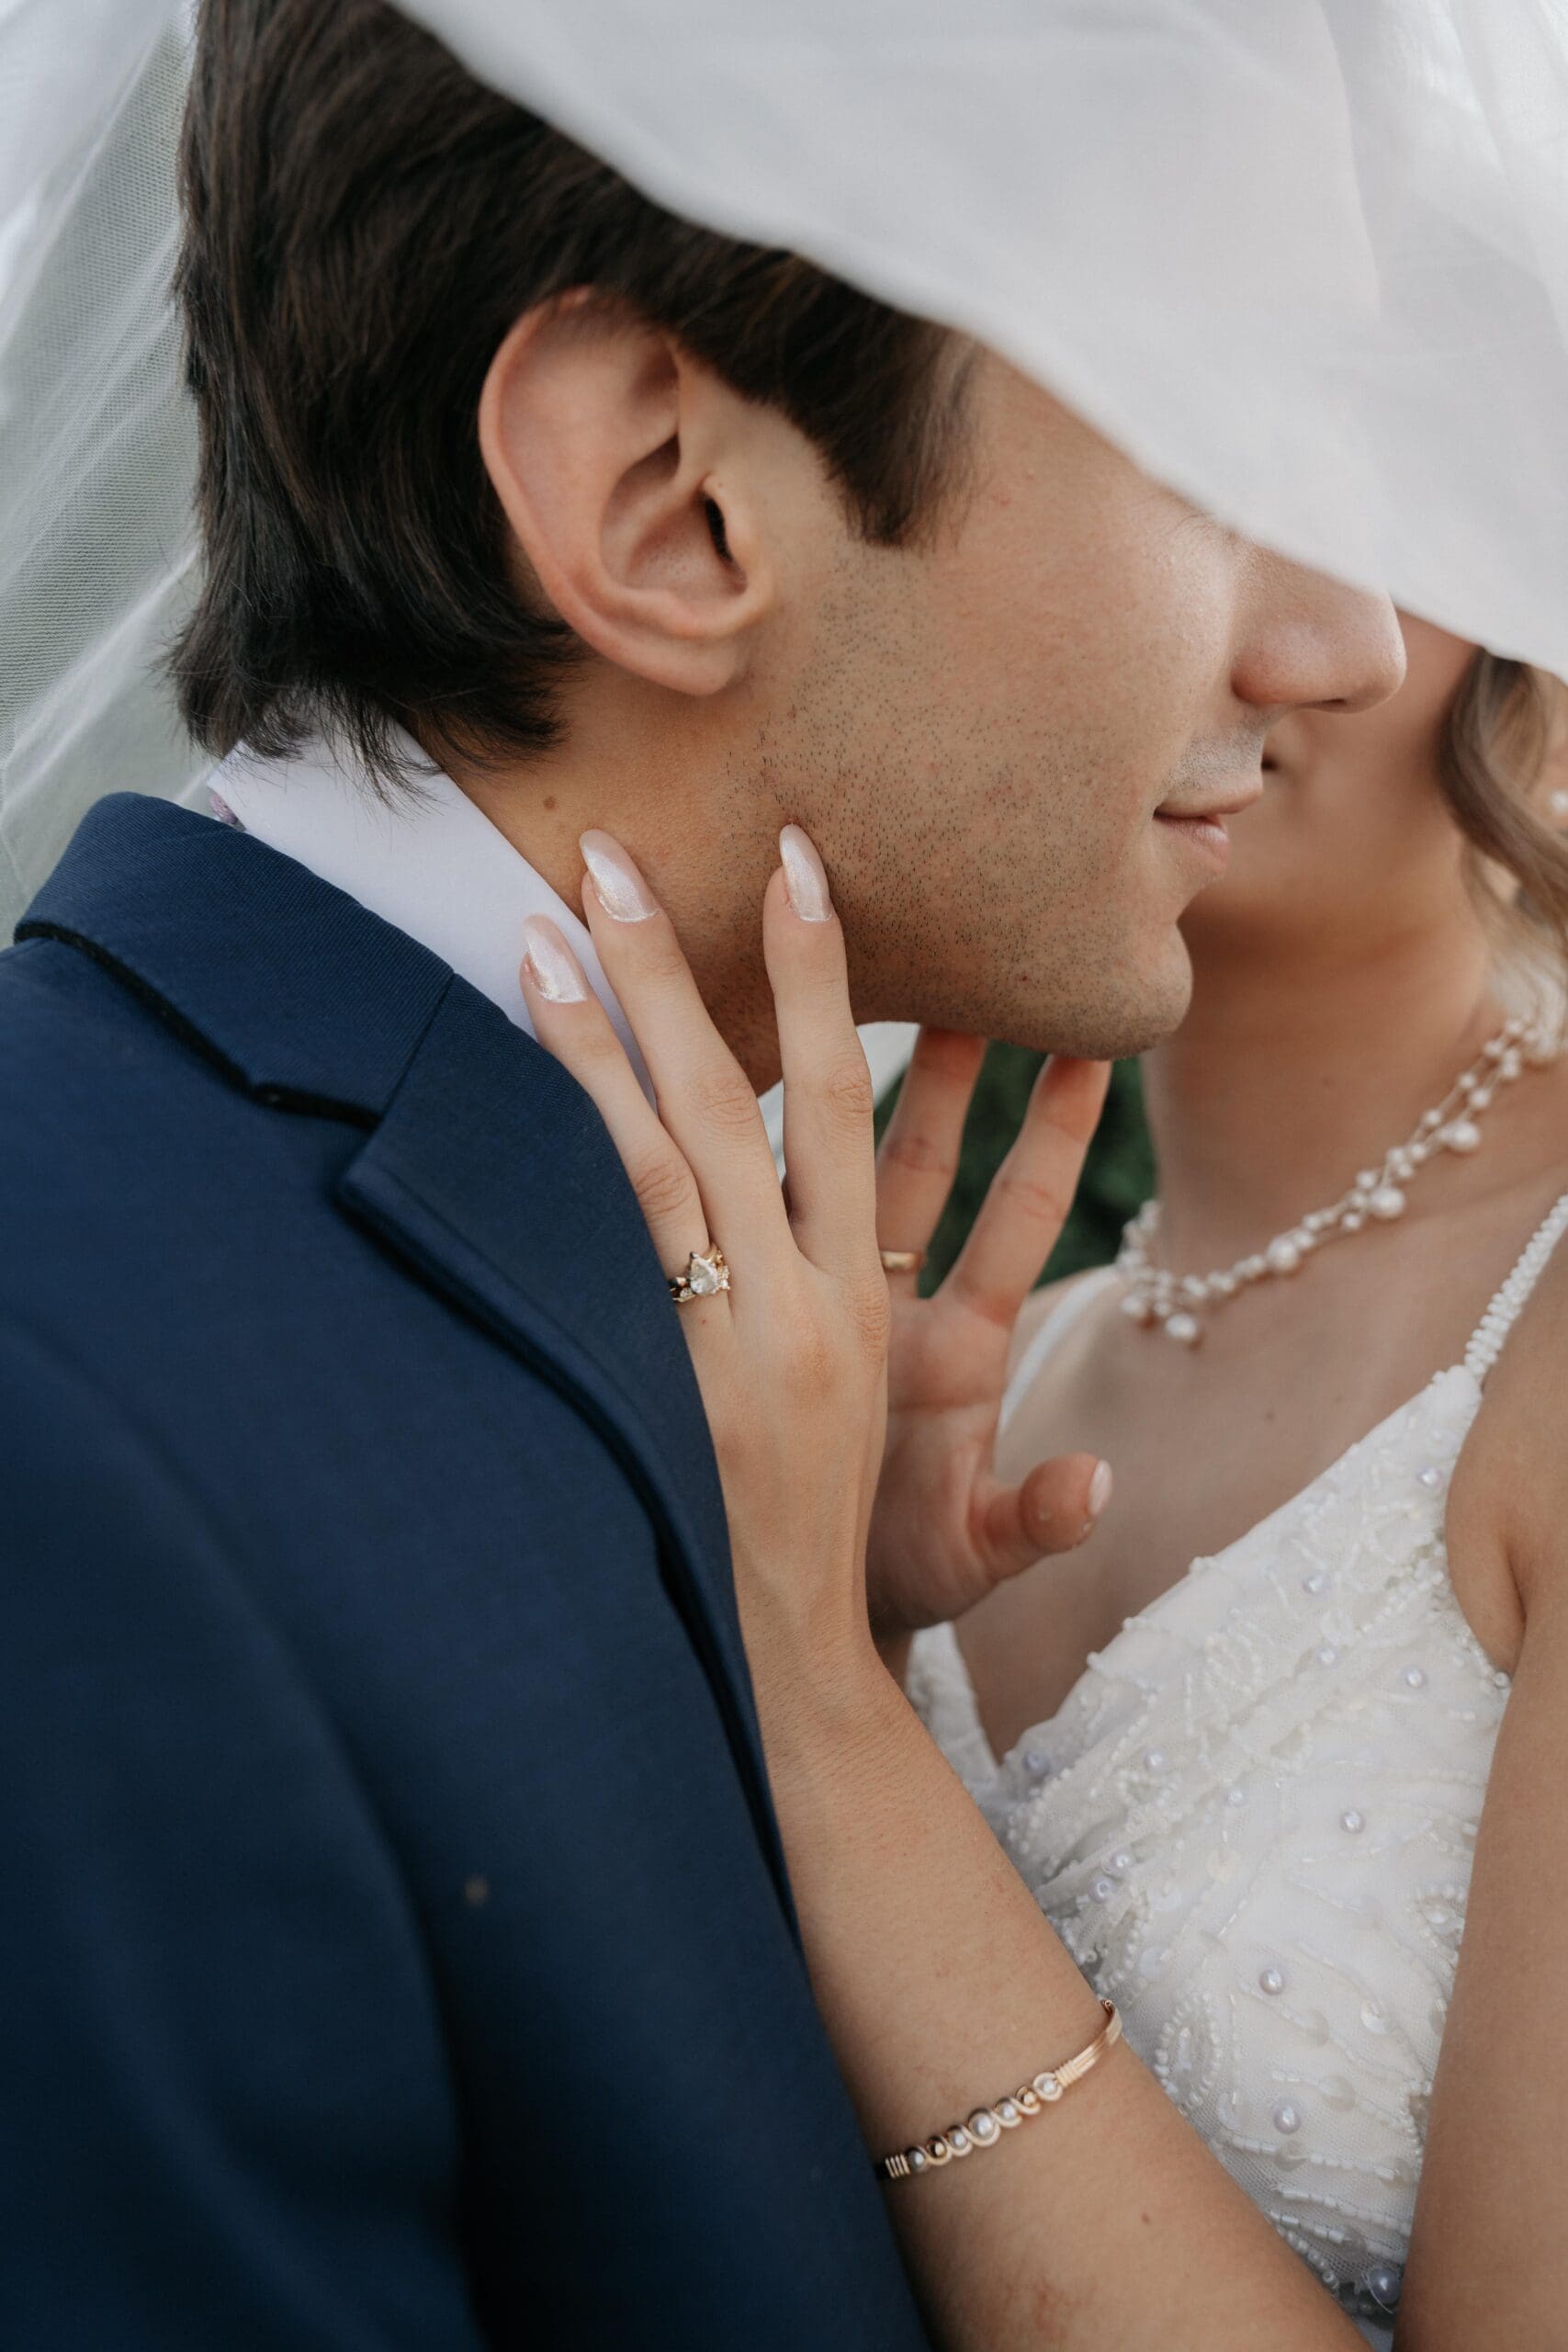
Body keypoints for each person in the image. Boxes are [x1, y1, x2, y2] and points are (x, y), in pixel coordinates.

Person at [0, 1, 1403, 2344]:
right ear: (664, 497)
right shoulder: (70, 1437)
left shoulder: (671, 1326)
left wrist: (836, 1637)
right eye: (1217, 438)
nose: (1343, 642)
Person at [525, 618, 1568, 2348]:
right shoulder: (988, 1370)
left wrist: (816, 1694)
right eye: (1144, 461)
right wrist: (829, 1592)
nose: (1232, 613)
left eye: (1311, 484)